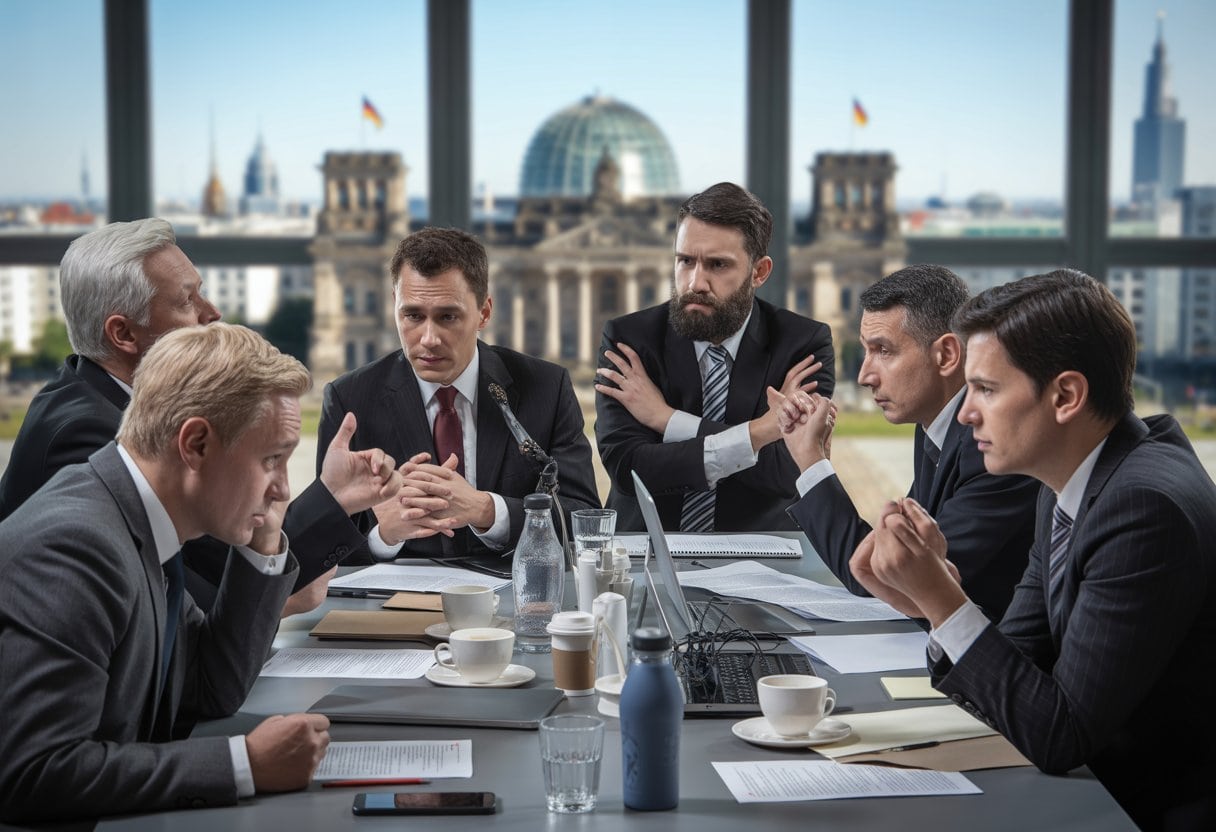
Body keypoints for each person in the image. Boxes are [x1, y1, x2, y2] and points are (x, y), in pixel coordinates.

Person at [853, 270, 1216, 831]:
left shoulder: (1144, 507)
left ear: (1066, 396)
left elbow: (1059, 734)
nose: (967, 413)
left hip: (1138, 811)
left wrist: (941, 600)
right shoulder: (1073, 478)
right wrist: (924, 602)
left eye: (987, 389)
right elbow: (1021, 653)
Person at [0, 324, 332, 822]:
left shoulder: (135, 515)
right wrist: (244, 763)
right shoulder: (75, 545)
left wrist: (264, 540)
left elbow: (210, 685)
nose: (284, 487)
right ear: (195, 443)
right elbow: (36, 771)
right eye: (272, 460)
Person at [0, 218, 399, 614]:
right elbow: (208, 593)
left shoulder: (104, 403)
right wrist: (283, 594)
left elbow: (223, 552)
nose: (213, 313)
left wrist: (335, 498)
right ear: (123, 334)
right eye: (187, 300)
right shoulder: (87, 434)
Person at [318, 227, 600, 562]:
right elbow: (319, 549)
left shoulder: (546, 387)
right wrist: (385, 534)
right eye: (412, 315)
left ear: (484, 312)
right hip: (393, 608)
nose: (428, 339)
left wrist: (486, 510)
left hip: (516, 603)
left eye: (447, 316)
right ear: (394, 307)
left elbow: (584, 520)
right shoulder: (349, 399)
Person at [778, 265, 1038, 621]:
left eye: (882, 350)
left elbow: (895, 575)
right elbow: (894, 554)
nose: (864, 375)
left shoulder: (990, 448)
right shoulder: (935, 425)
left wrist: (811, 461)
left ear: (946, 355)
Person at [594, 182, 834, 532]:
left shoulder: (801, 344)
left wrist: (668, 420)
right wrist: (759, 433)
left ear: (759, 272)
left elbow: (789, 473)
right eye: (685, 261)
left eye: (717, 265)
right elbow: (628, 469)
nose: (695, 283)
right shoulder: (628, 340)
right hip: (646, 548)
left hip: (760, 555)